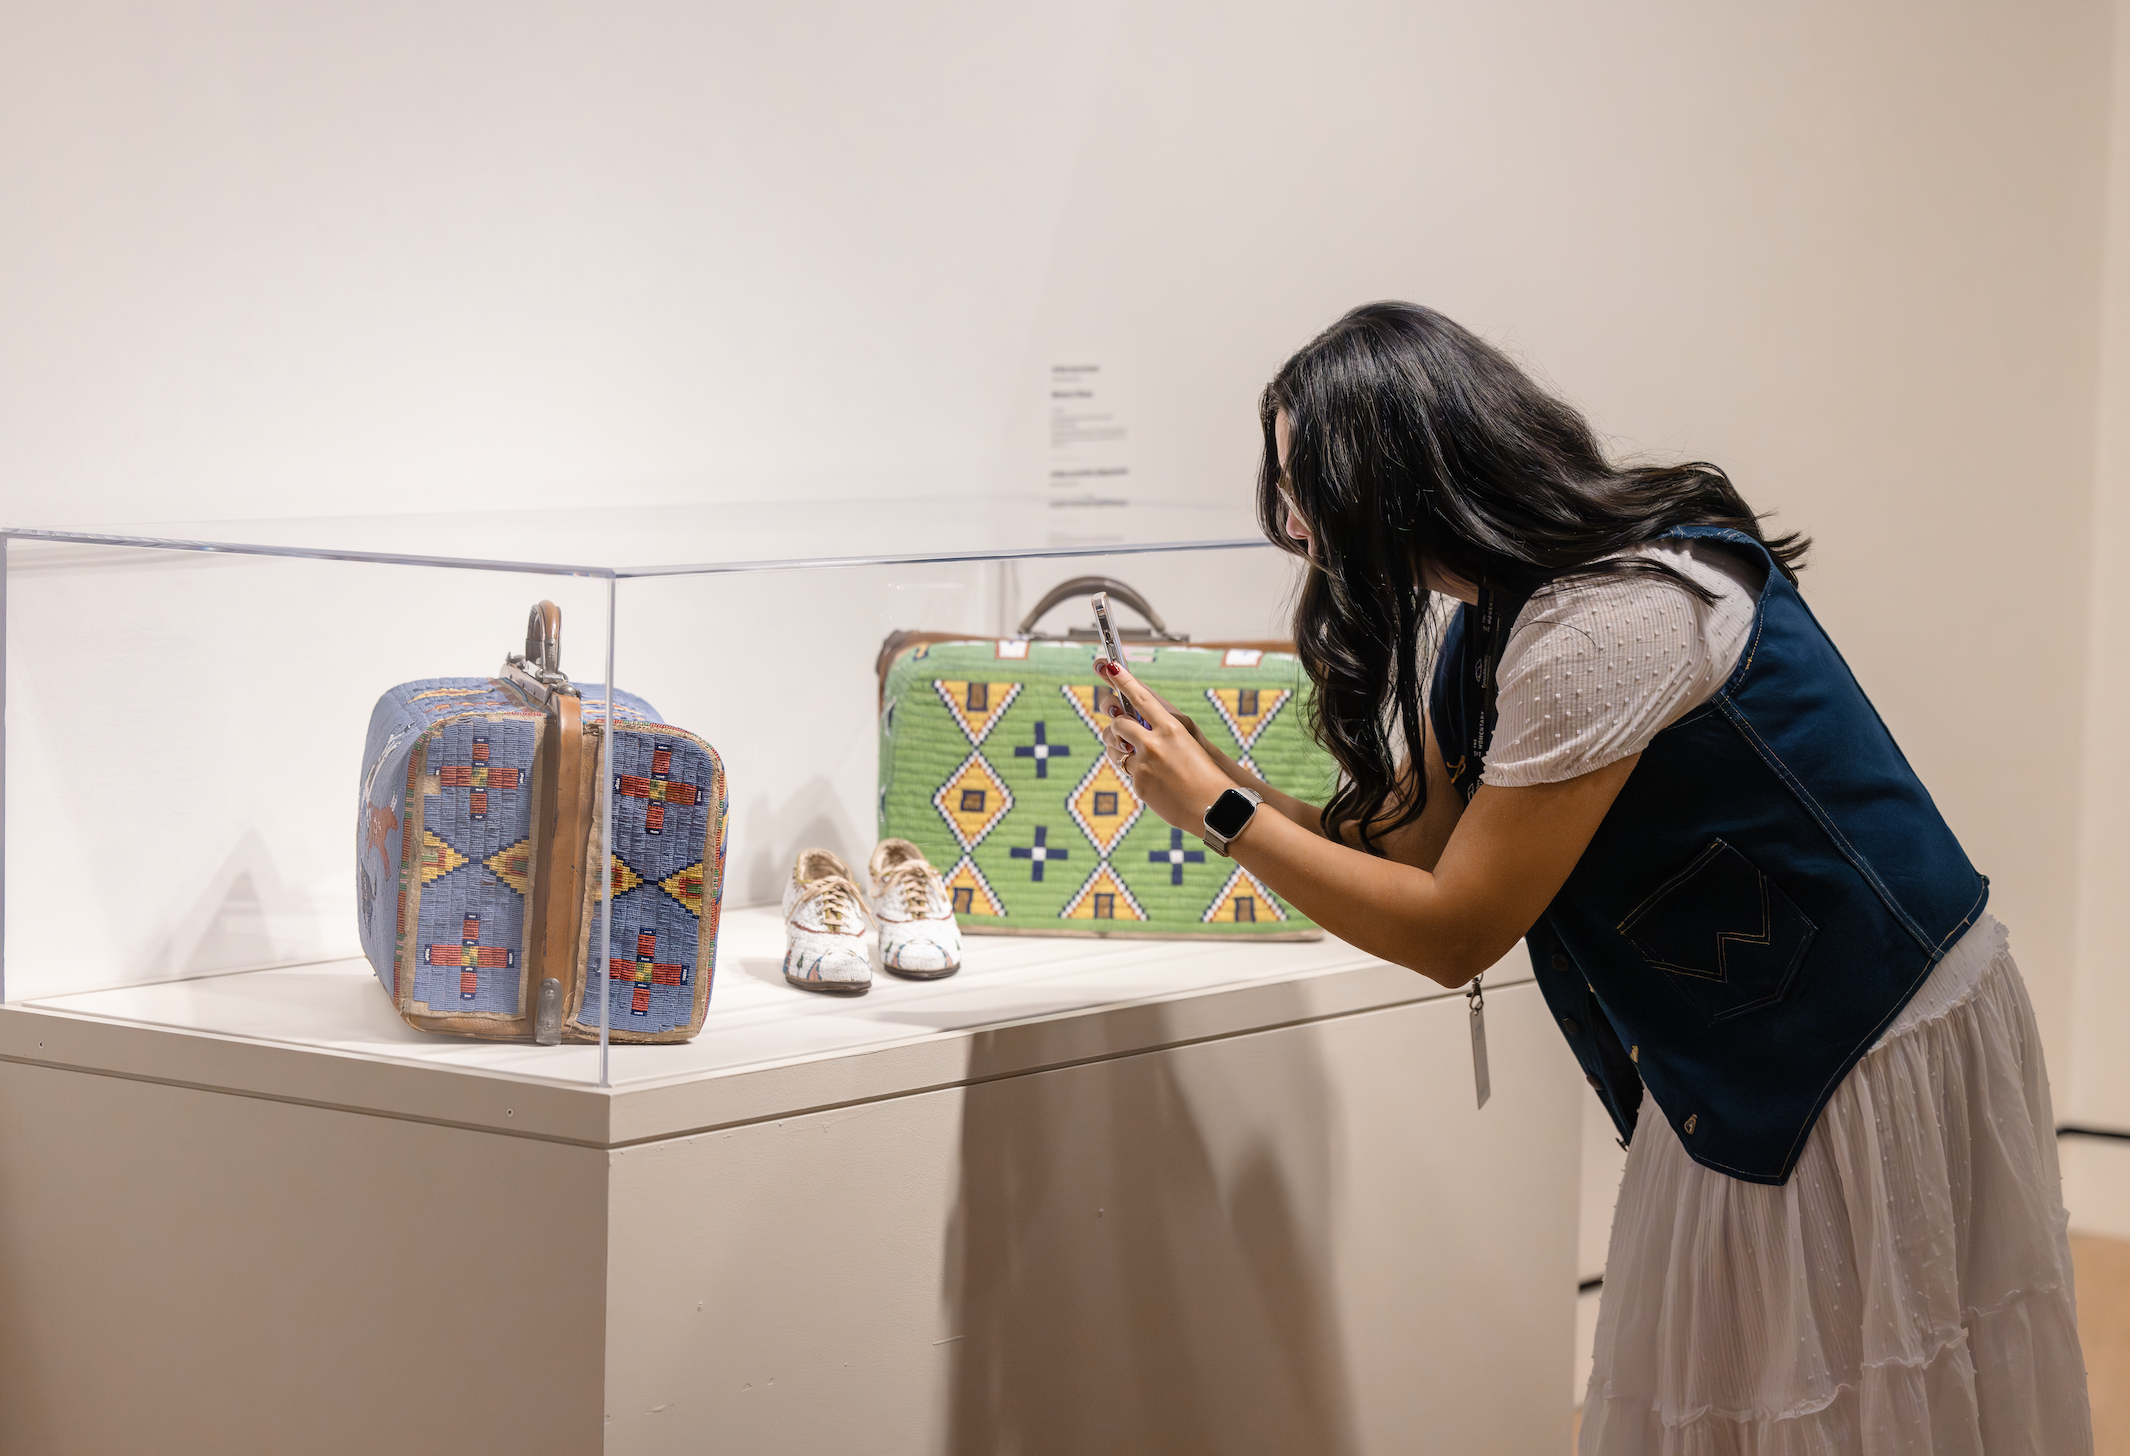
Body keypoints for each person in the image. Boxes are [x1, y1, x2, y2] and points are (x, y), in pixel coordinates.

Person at [1098, 301, 2092, 1454]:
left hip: (1867, 1033)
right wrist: (1234, 786)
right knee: (1737, 1379)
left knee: (1840, 1389)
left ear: (1393, 479)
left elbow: (1455, 928)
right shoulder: (1499, 618)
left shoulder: (1605, 624)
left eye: (1303, 485)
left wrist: (1219, 815)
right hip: (1743, 1042)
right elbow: (1417, 846)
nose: (1291, 524)